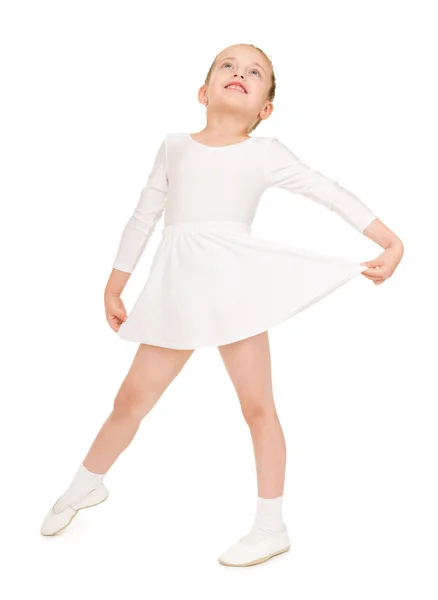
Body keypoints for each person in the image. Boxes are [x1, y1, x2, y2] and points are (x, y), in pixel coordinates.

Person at [40, 43, 404, 567]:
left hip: (235, 289)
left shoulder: (266, 152)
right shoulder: (174, 147)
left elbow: (329, 192)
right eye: (228, 66)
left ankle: (270, 525)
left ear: (265, 109)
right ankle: (85, 485)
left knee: (258, 407)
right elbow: (144, 217)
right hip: (177, 289)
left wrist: (390, 241)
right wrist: (114, 285)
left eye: (255, 72)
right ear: (203, 90)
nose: (240, 73)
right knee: (130, 401)